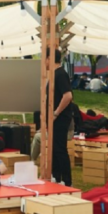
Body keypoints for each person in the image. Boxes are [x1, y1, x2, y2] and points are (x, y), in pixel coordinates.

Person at [45, 48, 73, 186]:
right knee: (54, 149)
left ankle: (66, 181)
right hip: (53, 119)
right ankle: (56, 177)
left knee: (60, 148)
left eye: (45, 58)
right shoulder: (54, 74)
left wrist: (56, 113)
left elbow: (67, 96)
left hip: (60, 118)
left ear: (49, 58)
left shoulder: (60, 74)